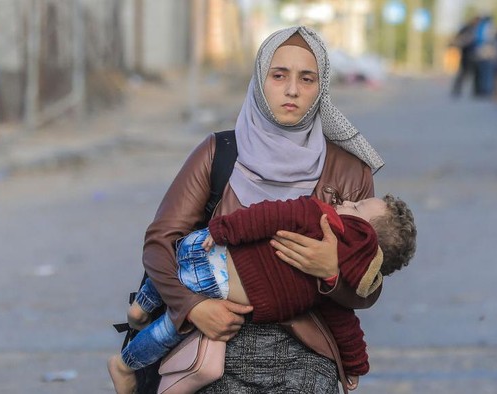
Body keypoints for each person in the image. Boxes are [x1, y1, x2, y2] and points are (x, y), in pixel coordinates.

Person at [128, 26, 386, 394]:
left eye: (307, 78)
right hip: (213, 344)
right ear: (260, 79)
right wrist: (193, 307)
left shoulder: (348, 171)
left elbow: (368, 286)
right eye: (278, 75)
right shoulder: (219, 153)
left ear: (321, 88)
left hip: (307, 355)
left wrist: (330, 274)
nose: (292, 90)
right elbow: (160, 242)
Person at [108, 194, 417, 393]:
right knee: (169, 329)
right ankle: (125, 365)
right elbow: (344, 323)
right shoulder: (323, 270)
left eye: (358, 208)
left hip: (203, 255)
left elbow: (266, 215)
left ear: (362, 238)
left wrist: (222, 229)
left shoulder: (317, 220)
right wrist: (354, 366)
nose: (349, 202)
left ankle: (141, 308)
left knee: (179, 268)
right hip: (212, 270)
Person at [451, 16, 480, 98]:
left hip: (473, 54)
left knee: (474, 73)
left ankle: (475, 91)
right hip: (466, 53)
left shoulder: (476, 29)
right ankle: (457, 90)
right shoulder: (467, 28)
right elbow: (458, 38)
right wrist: (465, 41)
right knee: (462, 73)